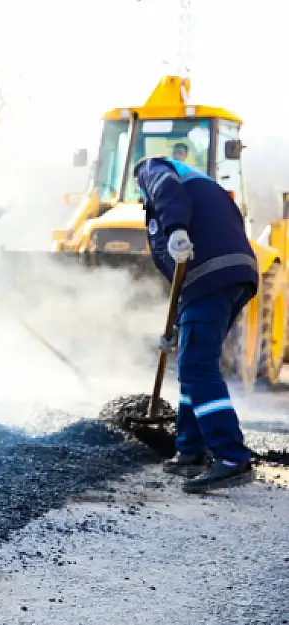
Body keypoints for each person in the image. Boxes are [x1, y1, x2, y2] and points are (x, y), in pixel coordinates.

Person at [135, 156, 257, 493]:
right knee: (193, 361)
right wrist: (174, 328)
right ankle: (190, 449)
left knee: (196, 365)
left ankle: (232, 456)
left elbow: (165, 189)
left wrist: (174, 229)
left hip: (212, 275)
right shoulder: (208, 189)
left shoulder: (153, 168)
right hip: (232, 275)